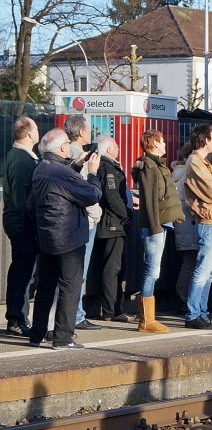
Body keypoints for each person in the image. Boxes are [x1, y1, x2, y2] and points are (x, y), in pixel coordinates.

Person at [27, 128, 102, 349]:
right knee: (70, 286)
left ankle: (36, 334)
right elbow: (91, 195)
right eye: (68, 143)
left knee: (46, 286)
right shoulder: (62, 173)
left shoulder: (41, 169)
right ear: (61, 148)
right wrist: (93, 173)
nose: (70, 146)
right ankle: (63, 337)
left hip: (47, 236)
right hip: (69, 237)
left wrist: (77, 164)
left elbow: (61, 185)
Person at [131, 129, 183, 333]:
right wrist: (154, 226)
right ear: (152, 144)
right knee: (152, 270)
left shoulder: (155, 165)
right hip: (155, 224)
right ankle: (146, 320)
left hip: (159, 223)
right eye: (161, 141)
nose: (165, 145)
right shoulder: (150, 167)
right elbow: (151, 200)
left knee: (153, 269)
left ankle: (148, 318)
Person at [182, 124, 212, 329]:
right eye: (211, 139)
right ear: (204, 140)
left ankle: (201, 312)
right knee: (203, 270)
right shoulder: (195, 162)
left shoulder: (206, 162)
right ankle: (193, 314)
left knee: (209, 272)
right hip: (207, 220)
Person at [63, 114, 102, 331]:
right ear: (80, 132)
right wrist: (95, 214)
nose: (90, 132)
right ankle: (76, 315)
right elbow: (87, 190)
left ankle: (75, 314)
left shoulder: (69, 154)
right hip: (85, 221)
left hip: (78, 220)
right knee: (80, 271)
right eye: (87, 128)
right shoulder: (80, 156)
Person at [3, 116, 40, 336]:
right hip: (22, 224)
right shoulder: (21, 160)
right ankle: (17, 319)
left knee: (23, 271)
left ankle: (18, 317)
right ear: (27, 133)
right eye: (35, 128)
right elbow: (21, 198)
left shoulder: (21, 156)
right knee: (22, 272)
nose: (38, 132)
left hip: (20, 222)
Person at [94, 137, 133, 322]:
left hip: (111, 223)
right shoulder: (108, 168)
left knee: (114, 266)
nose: (119, 149)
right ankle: (111, 310)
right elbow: (112, 196)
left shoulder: (107, 166)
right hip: (112, 224)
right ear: (109, 150)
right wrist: (126, 214)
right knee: (113, 268)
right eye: (116, 146)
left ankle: (114, 308)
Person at [170, 144, 198, 313]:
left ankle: (183, 297)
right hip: (190, 221)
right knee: (190, 263)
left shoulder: (176, 172)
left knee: (189, 262)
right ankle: (184, 297)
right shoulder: (188, 172)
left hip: (182, 222)